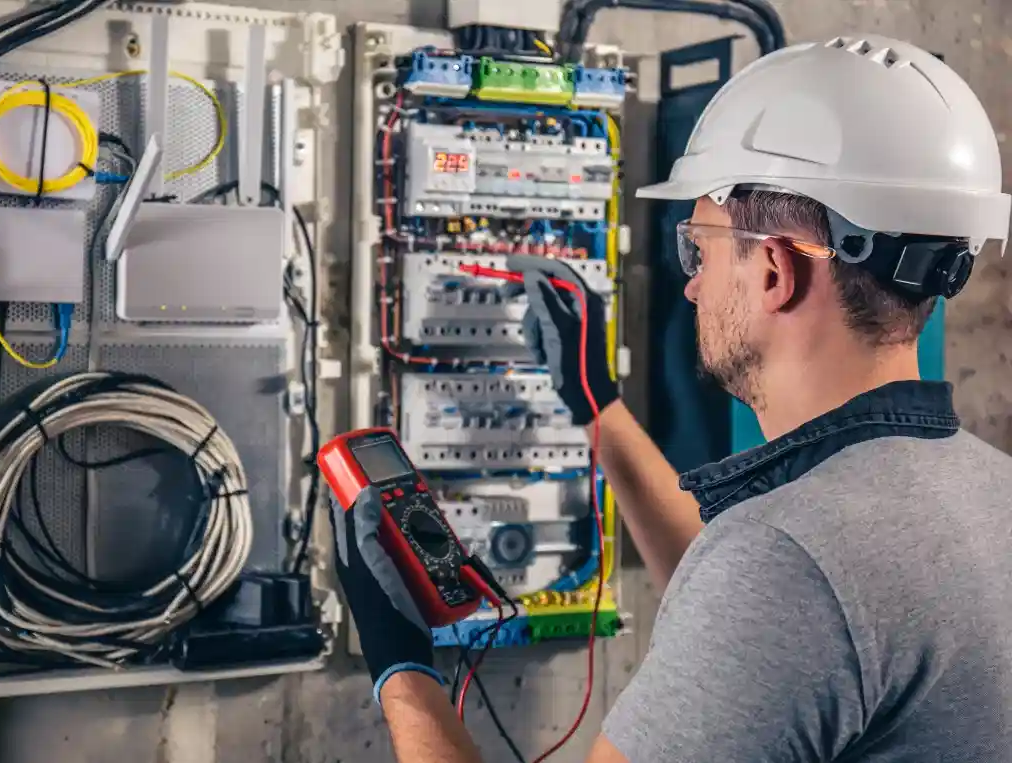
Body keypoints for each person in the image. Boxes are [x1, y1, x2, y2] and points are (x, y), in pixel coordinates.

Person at [331, 34, 1012, 762]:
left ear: (776, 271)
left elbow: (784, 598)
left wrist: (402, 670)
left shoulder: (788, 565)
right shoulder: (985, 493)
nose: (691, 284)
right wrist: (598, 407)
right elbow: (786, 627)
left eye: (702, 248)